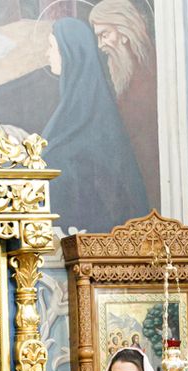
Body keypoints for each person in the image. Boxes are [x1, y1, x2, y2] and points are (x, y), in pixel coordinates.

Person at [42, 17, 149, 233]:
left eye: (51, 46)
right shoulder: (74, 110)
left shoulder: (88, 118)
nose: (47, 54)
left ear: (70, 54)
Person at [89, 0, 160, 209]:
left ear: (124, 32)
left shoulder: (149, 73)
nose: (101, 45)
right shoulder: (126, 73)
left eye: (105, 35)